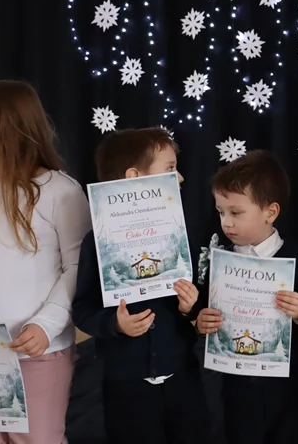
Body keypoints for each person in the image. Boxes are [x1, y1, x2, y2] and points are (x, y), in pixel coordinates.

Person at [0, 80, 91, 444]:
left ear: (8, 135)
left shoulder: (60, 191)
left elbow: (78, 268)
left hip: (38, 353)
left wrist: (46, 324)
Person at [72, 127, 211, 444]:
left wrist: (190, 306)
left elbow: (197, 302)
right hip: (126, 384)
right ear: (134, 177)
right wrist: (115, 324)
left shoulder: (179, 234)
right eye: (170, 168)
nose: (180, 178)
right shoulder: (98, 242)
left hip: (181, 375)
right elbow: (82, 309)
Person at [195, 150, 298, 444]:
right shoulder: (219, 261)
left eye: (236, 212)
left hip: (292, 387)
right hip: (238, 388)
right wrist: (202, 321)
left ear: (270, 212)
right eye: (221, 212)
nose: (226, 223)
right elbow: (205, 309)